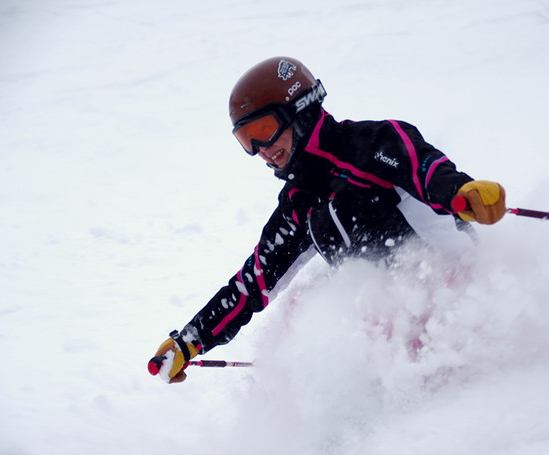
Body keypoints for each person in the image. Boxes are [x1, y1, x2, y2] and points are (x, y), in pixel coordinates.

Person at [148, 57, 506, 383]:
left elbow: (426, 170)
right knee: (305, 308)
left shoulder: (373, 145)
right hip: (401, 356)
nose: (262, 150)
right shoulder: (299, 203)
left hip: (467, 314)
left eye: (264, 130)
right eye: (247, 141)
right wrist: (190, 342)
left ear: (299, 111)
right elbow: (251, 284)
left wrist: (463, 192)